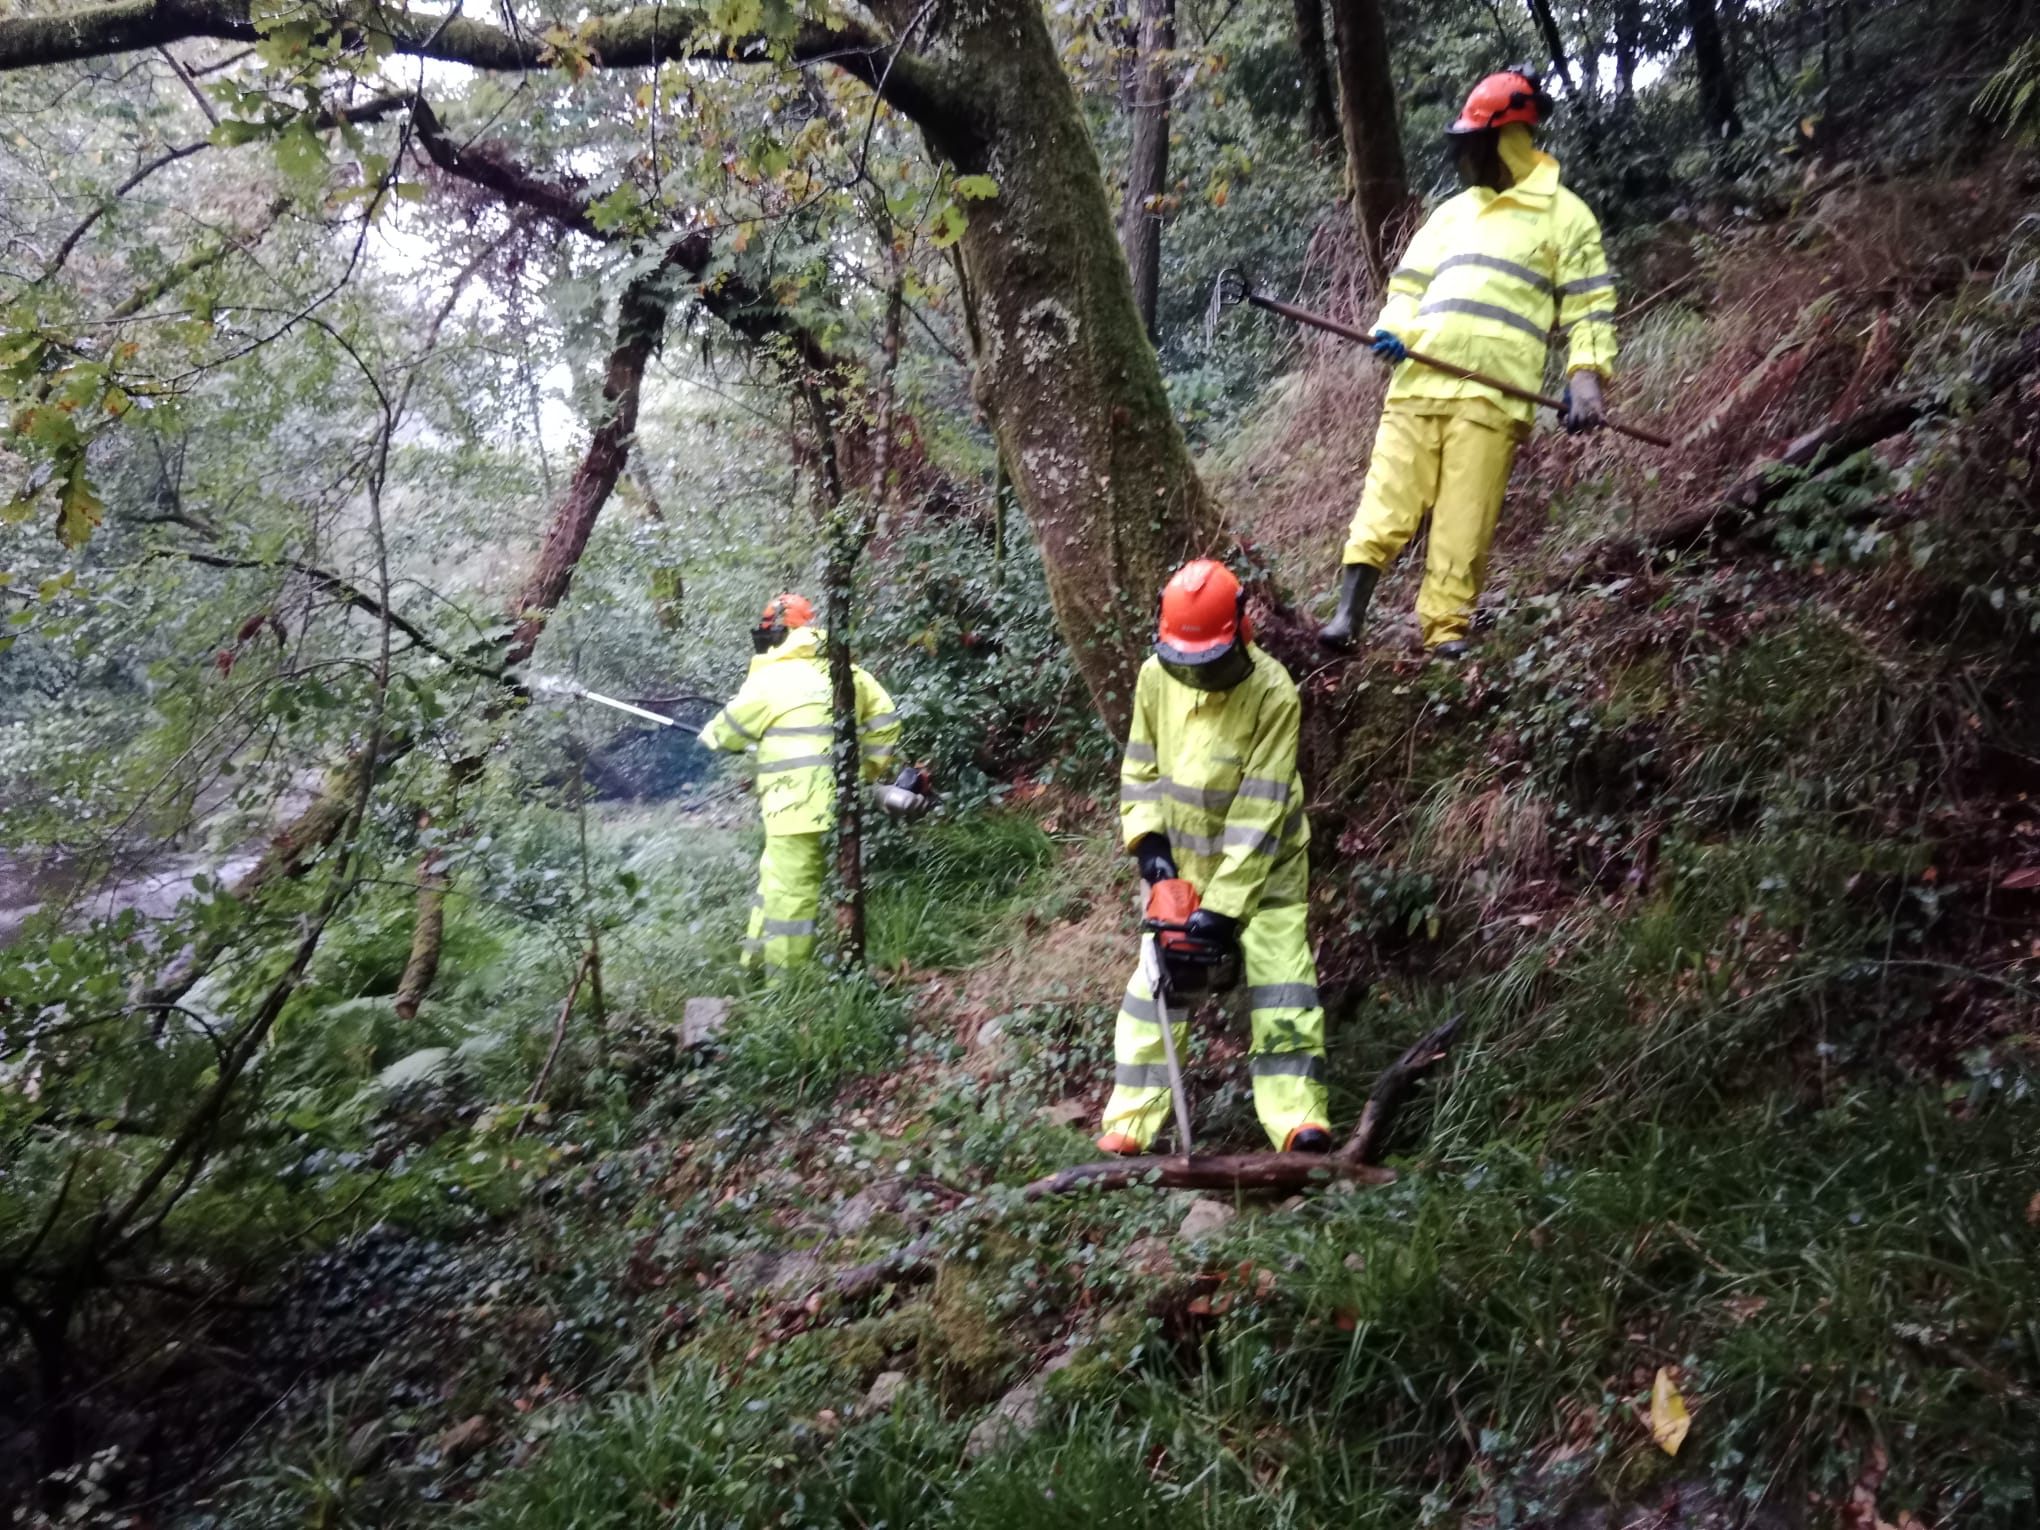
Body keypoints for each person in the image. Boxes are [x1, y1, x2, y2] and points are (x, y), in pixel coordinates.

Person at [1318, 66, 1618, 658]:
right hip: (1419, 377)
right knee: (1386, 497)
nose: (1465, 160)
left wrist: (1585, 381)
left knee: (1466, 514)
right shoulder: (1450, 215)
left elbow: (1589, 308)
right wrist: (1390, 331)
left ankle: (1447, 630)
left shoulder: (1567, 216)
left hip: (1495, 392)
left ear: (1507, 140)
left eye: (1472, 146)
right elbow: (1406, 289)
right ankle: (1348, 615)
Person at [1098, 559, 1332, 1156]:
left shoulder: (1272, 690)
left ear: (1240, 630)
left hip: (1269, 872)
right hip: (1184, 872)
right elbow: (1140, 768)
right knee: (1154, 990)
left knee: (1284, 984)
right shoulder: (1156, 676)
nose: (1198, 673)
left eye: (1209, 660)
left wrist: (1226, 911)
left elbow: (1261, 810)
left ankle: (1298, 1119)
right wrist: (1153, 858)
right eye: (1188, 660)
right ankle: (1132, 1118)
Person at [700, 593, 900, 978]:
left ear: (778, 634)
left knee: (789, 891)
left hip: (793, 805)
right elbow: (886, 719)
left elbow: (725, 734)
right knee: (776, 877)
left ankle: (783, 984)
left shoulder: (771, 679)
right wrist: (870, 770)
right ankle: (755, 961)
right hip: (842, 799)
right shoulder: (847, 671)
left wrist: (710, 736)